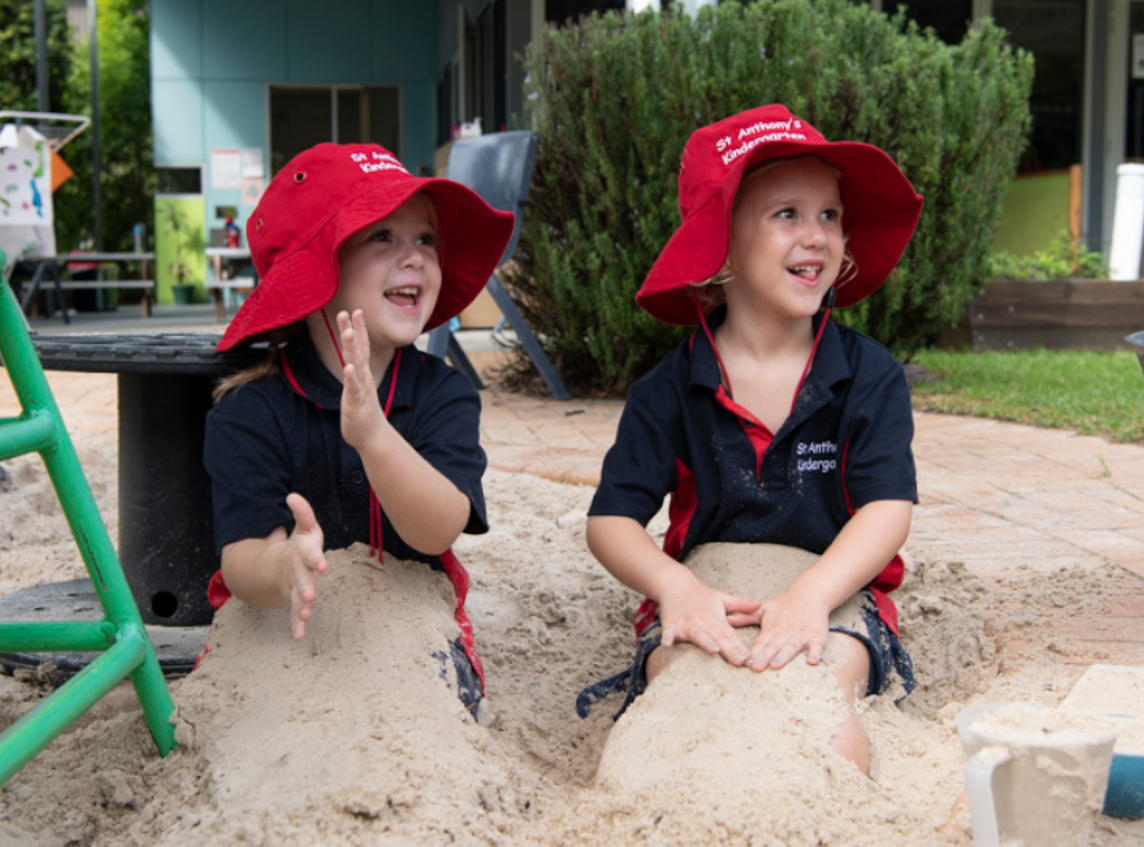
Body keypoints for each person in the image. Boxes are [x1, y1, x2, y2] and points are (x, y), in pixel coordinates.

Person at [578, 104, 924, 773]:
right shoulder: (670, 386)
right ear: (722, 244)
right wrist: (672, 586)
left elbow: (888, 510)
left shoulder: (868, 374)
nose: (818, 235)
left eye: (830, 215)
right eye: (787, 214)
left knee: (823, 691)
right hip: (708, 589)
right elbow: (611, 521)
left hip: (835, 584)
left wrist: (813, 595)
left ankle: (828, 803)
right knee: (672, 699)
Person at [204, 142, 514, 713]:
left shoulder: (443, 393)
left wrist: (374, 435)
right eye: (382, 237)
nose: (416, 257)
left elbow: (438, 530)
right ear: (319, 268)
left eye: (426, 238)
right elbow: (242, 558)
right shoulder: (251, 409)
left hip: (409, 628)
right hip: (280, 630)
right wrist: (283, 567)